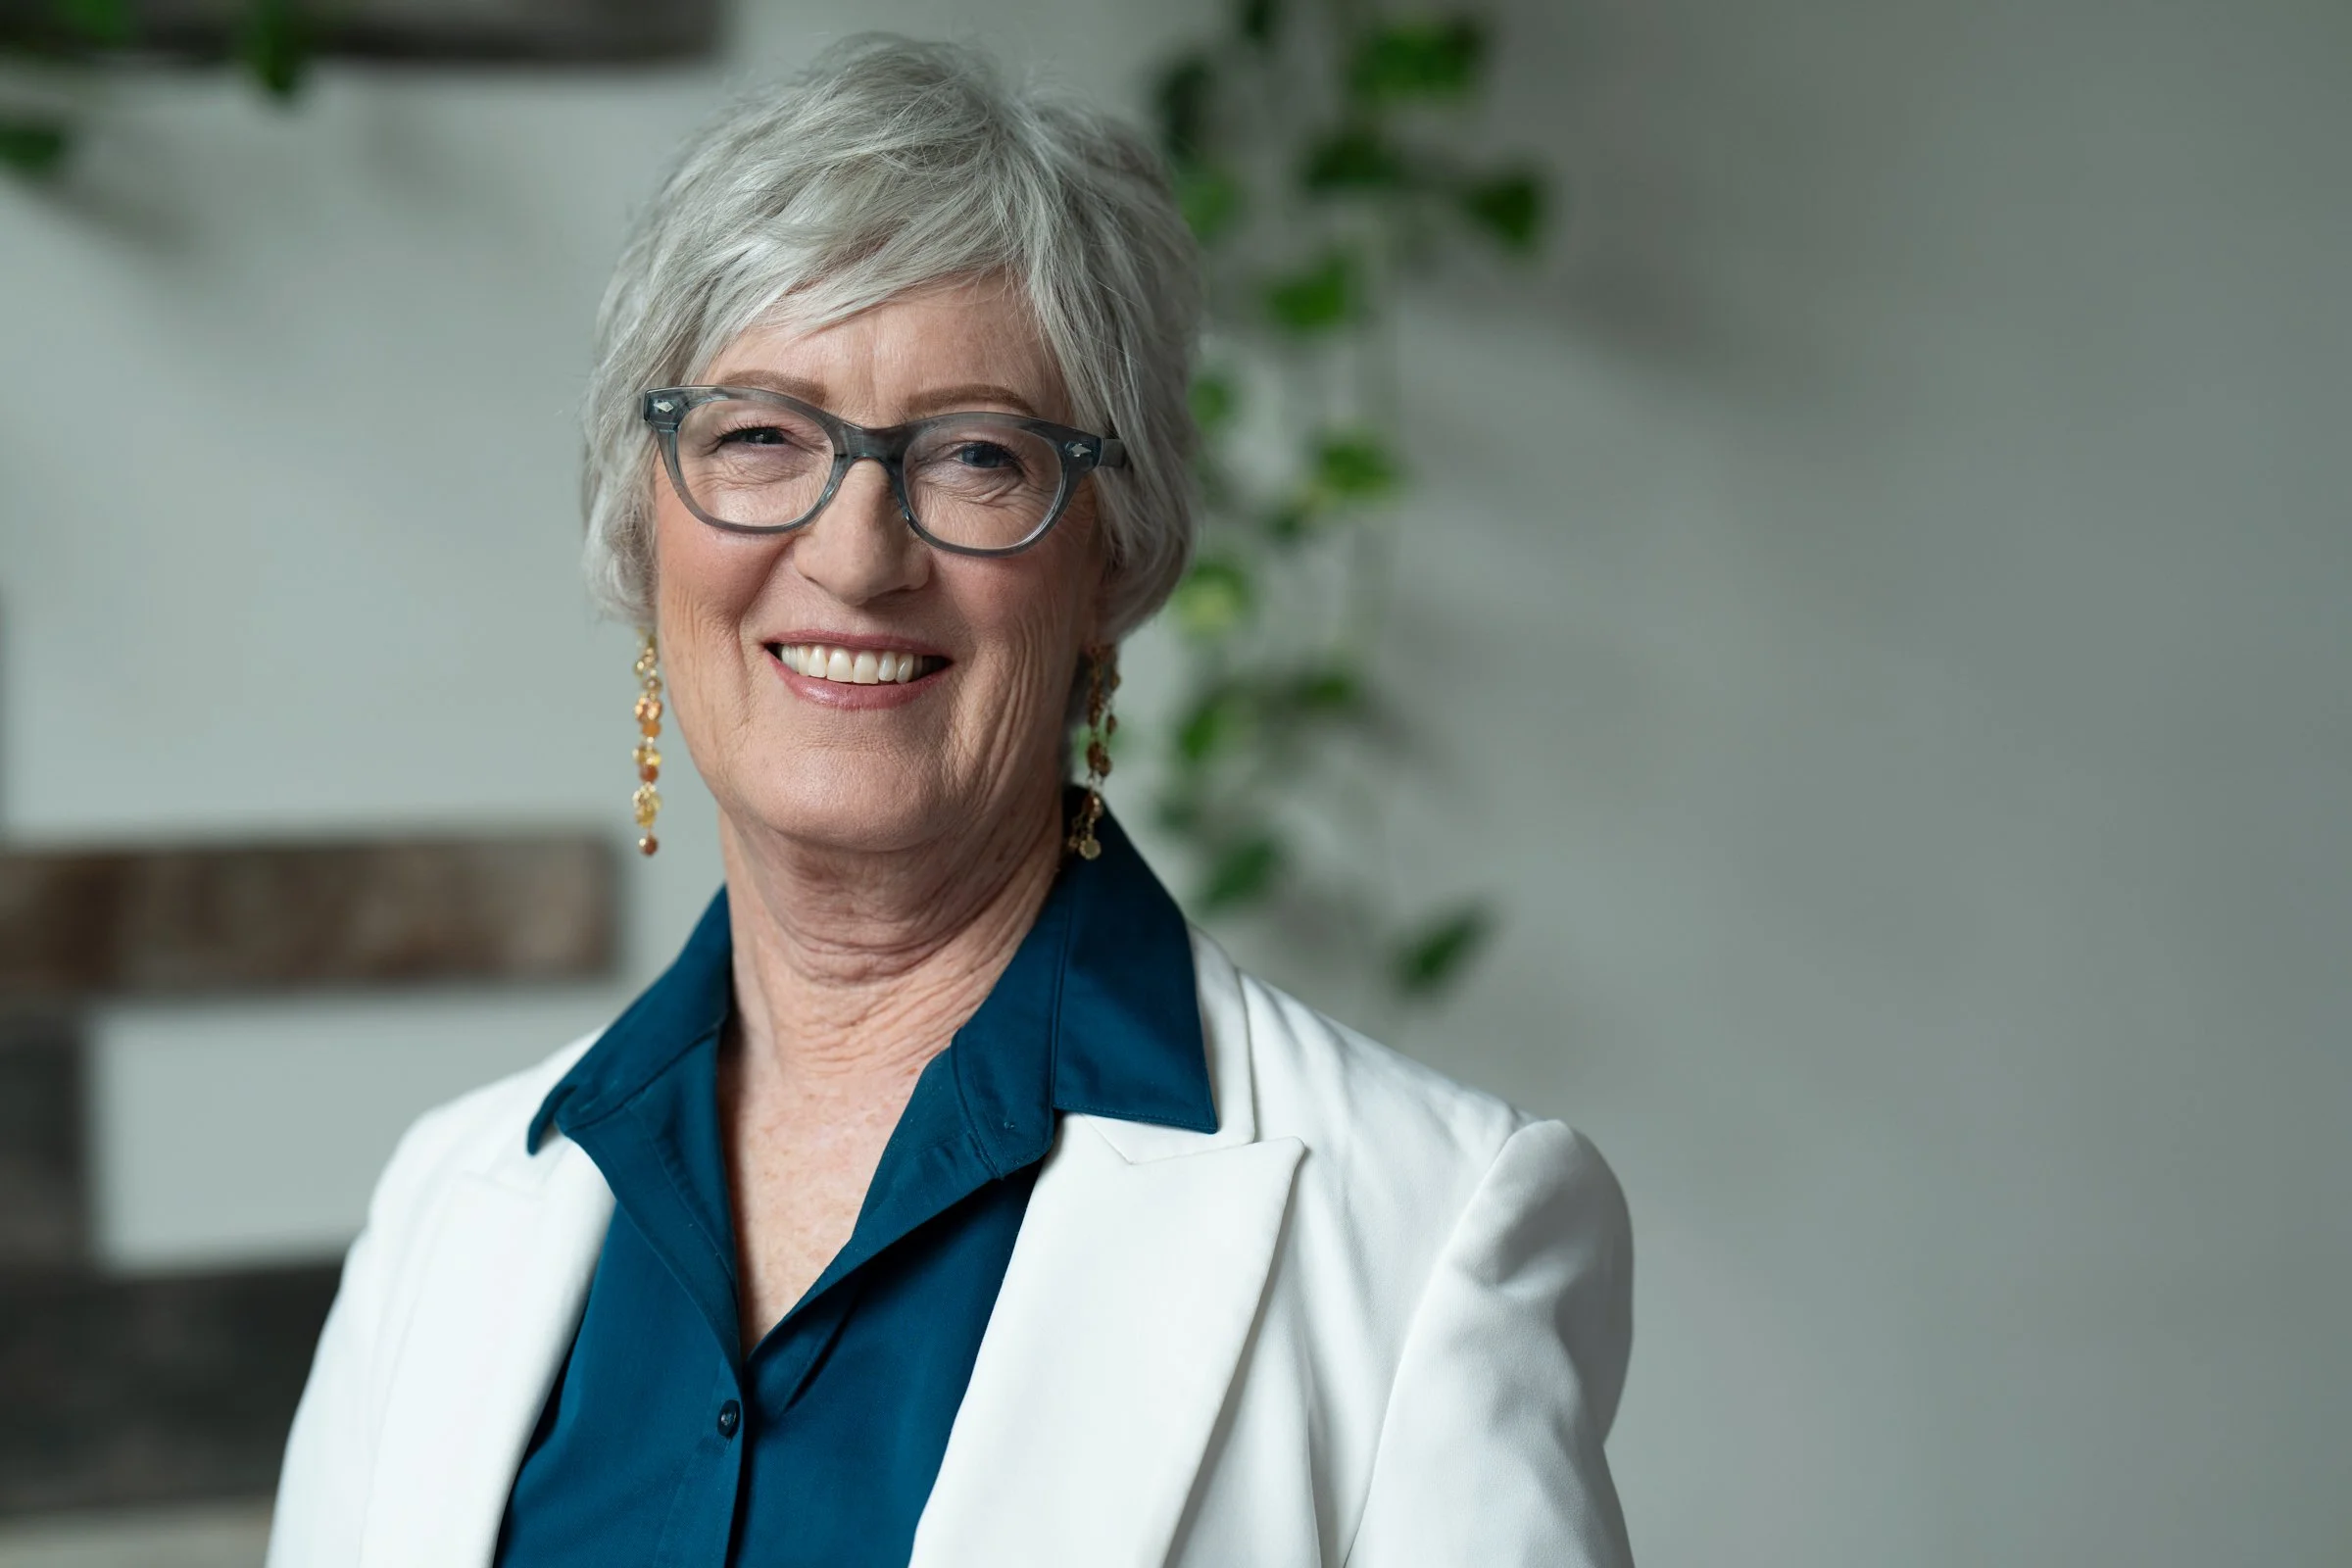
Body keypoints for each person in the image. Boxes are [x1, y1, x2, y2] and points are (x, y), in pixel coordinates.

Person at [266, 34, 1634, 1568]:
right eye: (760, 436)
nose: (857, 554)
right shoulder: (447, 1209)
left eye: (976, 455)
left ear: (1109, 561)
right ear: (644, 531)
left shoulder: (1436, 1235)